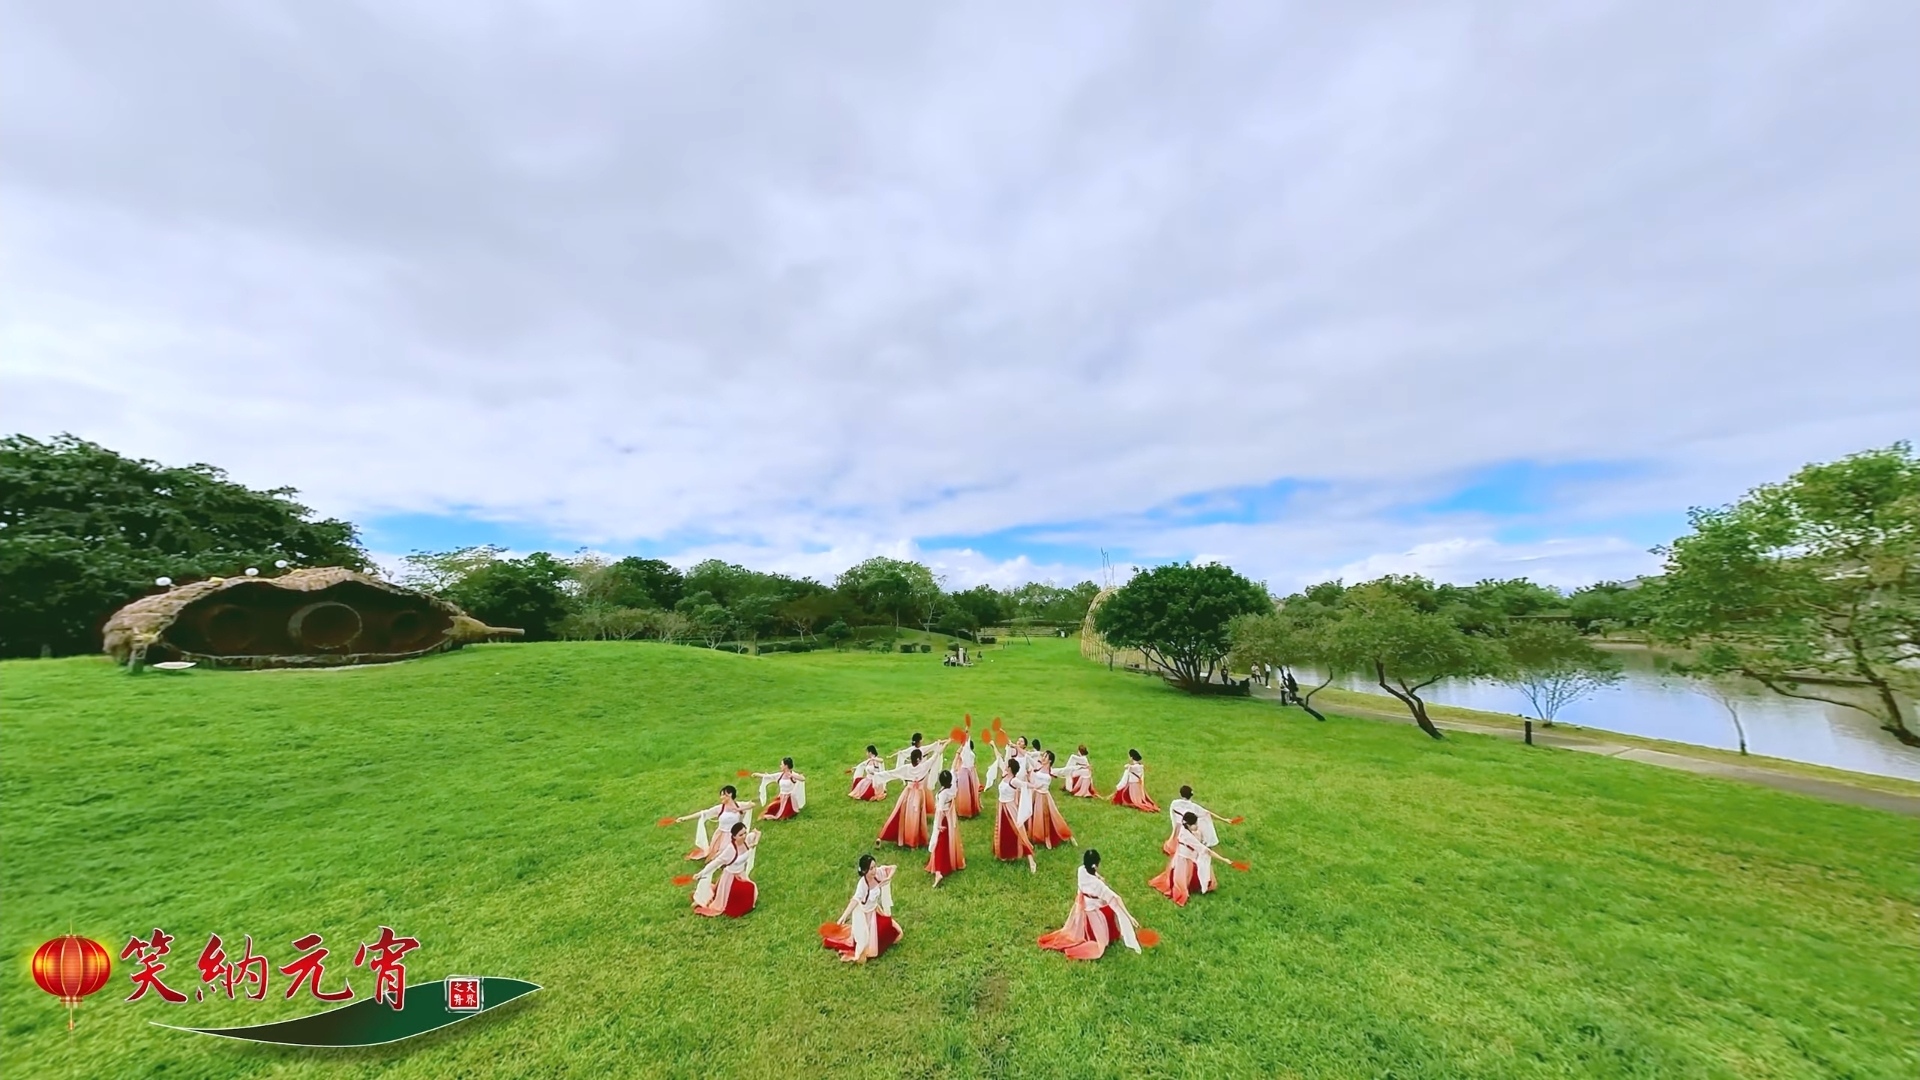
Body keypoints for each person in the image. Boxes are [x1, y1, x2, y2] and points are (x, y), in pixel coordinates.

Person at [1038, 849, 1143, 960]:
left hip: (1083, 905)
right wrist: (1129, 917)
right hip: (1092, 910)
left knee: (1105, 908)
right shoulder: (1098, 886)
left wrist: (1097, 876)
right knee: (1101, 945)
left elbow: (1090, 875)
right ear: (1095, 866)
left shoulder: (1081, 871)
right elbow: (1116, 899)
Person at [820, 855, 901, 963]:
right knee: (868, 951)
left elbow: (893, 867)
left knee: (898, 933)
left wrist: (888, 878)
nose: (874, 871)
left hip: (876, 911)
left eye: (874, 867)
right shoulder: (862, 885)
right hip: (866, 916)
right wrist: (844, 916)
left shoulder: (878, 874)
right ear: (864, 871)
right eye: (871, 869)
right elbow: (854, 900)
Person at [1149, 812, 1220, 906]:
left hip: (1190, 858)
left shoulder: (1189, 832)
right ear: (1189, 825)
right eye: (1194, 824)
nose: (1196, 826)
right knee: (1184, 877)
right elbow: (1203, 849)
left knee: (1191, 873)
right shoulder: (1186, 836)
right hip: (1184, 860)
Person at [691, 821, 759, 918]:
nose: (743, 836)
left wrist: (756, 835)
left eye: (745, 833)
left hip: (741, 875)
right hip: (730, 878)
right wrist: (701, 873)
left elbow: (756, 834)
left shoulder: (747, 841)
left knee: (750, 888)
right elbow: (716, 862)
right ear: (734, 836)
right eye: (740, 835)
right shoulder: (730, 850)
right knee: (742, 891)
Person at [876, 748, 936, 849]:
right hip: (917, 794)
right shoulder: (923, 767)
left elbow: (892, 773)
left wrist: (878, 776)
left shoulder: (907, 768)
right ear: (918, 760)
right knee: (914, 816)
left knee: (903, 813)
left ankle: (908, 838)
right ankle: (912, 841)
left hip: (908, 793)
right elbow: (935, 756)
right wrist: (942, 745)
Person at [675, 785, 755, 861]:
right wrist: (685, 818)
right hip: (722, 835)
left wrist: (739, 809)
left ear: (730, 794)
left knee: (734, 854)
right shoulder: (720, 808)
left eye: (723, 795)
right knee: (721, 855)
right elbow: (704, 813)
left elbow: (752, 804)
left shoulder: (738, 804)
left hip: (735, 835)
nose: (721, 797)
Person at [991, 757, 1037, 872]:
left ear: (1010, 768)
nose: (1005, 766)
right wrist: (993, 745)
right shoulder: (1006, 775)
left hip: (1010, 808)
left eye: (1007, 765)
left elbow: (1025, 785)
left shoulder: (1014, 781)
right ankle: (1006, 853)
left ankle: (1031, 860)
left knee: (1019, 831)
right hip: (1002, 807)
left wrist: (1035, 785)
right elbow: (1000, 760)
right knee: (1005, 831)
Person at [1025, 750, 1075, 849]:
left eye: (1045, 757)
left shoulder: (1051, 771)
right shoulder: (1038, 766)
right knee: (1033, 815)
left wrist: (1081, 767)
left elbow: (1065, 770)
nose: (1043, 758)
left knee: (1048, 816)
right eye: (1043, 756)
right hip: (1035, 794)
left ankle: (1056, 836)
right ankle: (1033, 835)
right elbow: (1027, 757)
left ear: (1050, 760)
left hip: (1043, 797)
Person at [1163, 784, 1232, 853]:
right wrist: (1224, 820)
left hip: (1178, 828)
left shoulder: (1174, 803)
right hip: (1187, 829)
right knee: (1204, 818)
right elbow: (1208, 813)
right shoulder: (1193, 807)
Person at [925, 770, 966, 886]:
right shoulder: (952, 790)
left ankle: (939, 871)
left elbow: (939, 810)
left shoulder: (943, 794)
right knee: (947, 841)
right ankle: (946, 863)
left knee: (939, 843)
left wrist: (937, 825)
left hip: (943, 819)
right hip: (949, 819)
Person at [951, 736, 983, 818]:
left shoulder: (967, 754)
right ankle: (968, 809)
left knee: (966, 791)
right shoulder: (969, 754)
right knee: (969, 790)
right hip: (968, 772)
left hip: (965, 773)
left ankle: (965, 809)